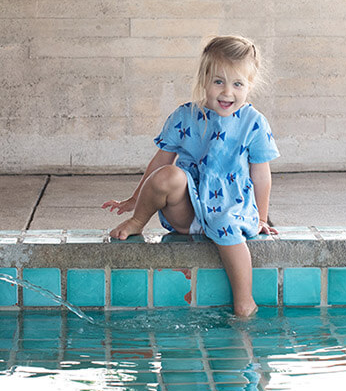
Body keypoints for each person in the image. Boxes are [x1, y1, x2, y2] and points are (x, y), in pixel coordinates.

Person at [103, 35, 279, 317]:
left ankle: (244, 301)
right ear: (204, 79)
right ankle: (138, 222)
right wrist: (136, 200)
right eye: (218, 81)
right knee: (168, 175)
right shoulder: (185, 116)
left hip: (230, 207)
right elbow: (160, 162)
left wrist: (260, 218)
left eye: (237, 84)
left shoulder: (254, 123)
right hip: (188, 208)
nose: (227, 92)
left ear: (250, 85)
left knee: (225, 225)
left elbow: (261, 174)